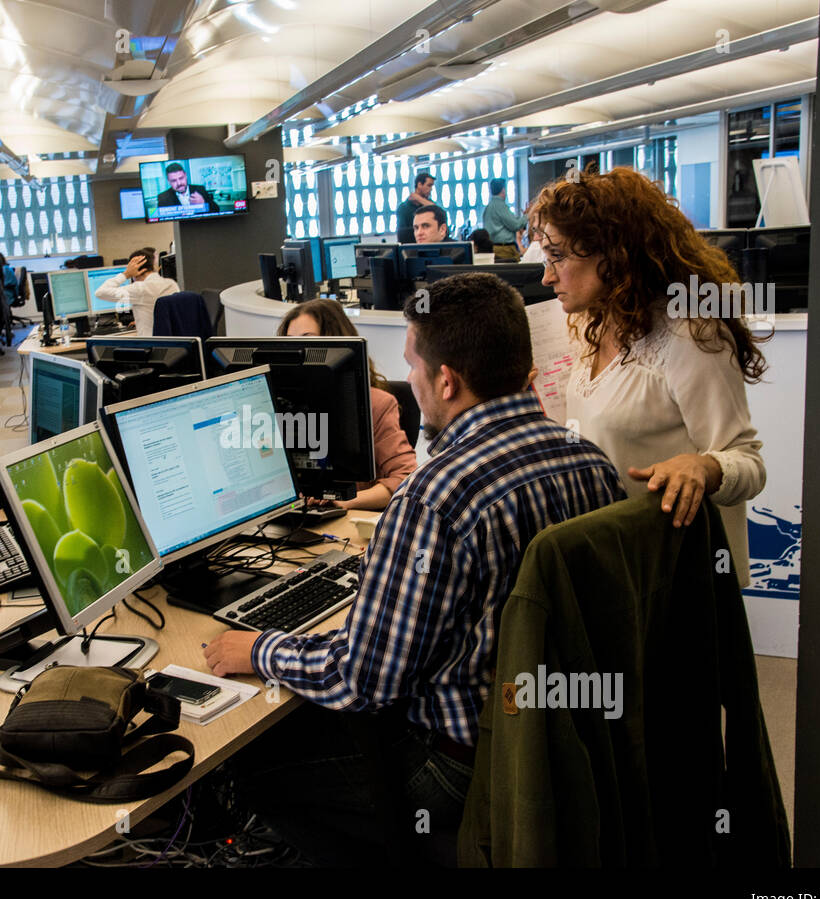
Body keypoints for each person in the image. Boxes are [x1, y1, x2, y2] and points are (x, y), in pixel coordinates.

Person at [203, 273, 624, 865]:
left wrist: (259, 649)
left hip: (458, 764)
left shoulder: (435, 497)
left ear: (446, 380)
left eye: (413, 367)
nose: (412, 384)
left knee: (248, 763)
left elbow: (363, 681)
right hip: (563, 737)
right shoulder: (592, 462)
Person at [531, 165, 766, 584]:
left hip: (674, 573)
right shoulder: (590, 325)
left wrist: (703, 467)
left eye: (559, 257)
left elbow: (748, 463)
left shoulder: (691, 335)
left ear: (614, 253)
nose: (548, 276)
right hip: (614, 559)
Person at [276, 299, 417, 510]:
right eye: (289, 342)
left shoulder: (376, 404)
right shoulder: (276, 405)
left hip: (346, 522)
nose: (296, 351)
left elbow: (406, 478)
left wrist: (344, 501)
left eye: (308, 340)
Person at [93, 247, 180, 337]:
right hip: (174, 344)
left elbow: (100, 292)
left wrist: (126, 274)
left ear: (135, 269)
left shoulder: (140, 289)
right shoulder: (172, 284)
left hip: (152, 346)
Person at [482, 178, 527, 263]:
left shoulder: (489, 206)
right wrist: (527, 216)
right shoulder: (500, 205)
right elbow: (515, 225)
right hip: (504, 249)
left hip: (495, 247)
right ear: (503, 190)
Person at [396, 171, 439, 244]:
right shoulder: (403, 208)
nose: (431, 189)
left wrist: (419, 198)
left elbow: (438, 212)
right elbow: (402, 234)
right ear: (419, 185)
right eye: (429, 185)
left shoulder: (428, 204)